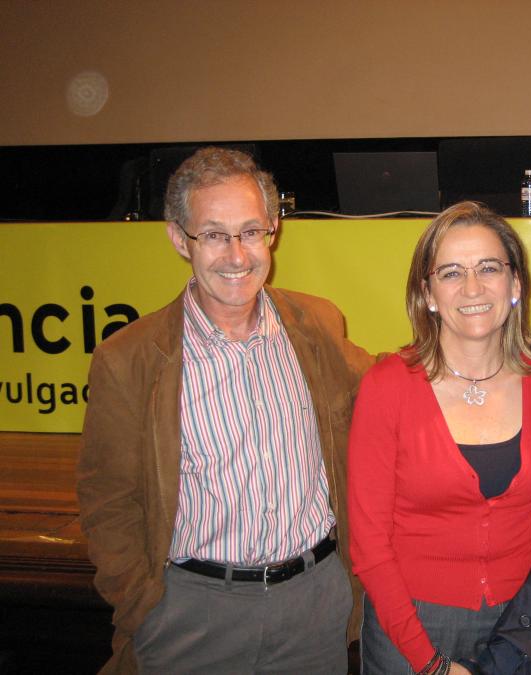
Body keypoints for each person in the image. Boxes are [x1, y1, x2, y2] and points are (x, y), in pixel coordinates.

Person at [77, 147, 373, 674]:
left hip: (313, 608)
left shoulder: (317, 325)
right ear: (178, 238)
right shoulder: (128, 359)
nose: (237, 255)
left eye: (250, 231)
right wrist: (143, 603)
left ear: (273, 230)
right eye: (213, 235)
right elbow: (108, 502)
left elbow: (390, 392)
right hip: (191, 616)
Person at [348, 202, 531, 674]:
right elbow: (370, 544)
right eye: (451, 272)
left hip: (518, 618)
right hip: (409, 624)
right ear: (427, 293)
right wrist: (429, 663)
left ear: (515, 284)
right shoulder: (386, 385)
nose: (472, 288)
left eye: (488, 268)